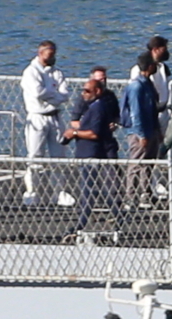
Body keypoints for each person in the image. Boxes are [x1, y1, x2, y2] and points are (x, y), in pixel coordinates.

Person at [64, 79, 121, 235]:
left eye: (87, 91)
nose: (83, 94)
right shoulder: (92, 107)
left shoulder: (98, 108)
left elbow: (93, 133)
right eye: (83, 90)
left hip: (92, 154)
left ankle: (82, 224)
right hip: (87, 153)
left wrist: (74, 133)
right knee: (92, 190)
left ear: (98, 91)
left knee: (90, 191)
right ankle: (117, 218)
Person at [20, 40, 73, 207]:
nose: (53, 58)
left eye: (54, 55)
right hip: (37, 117)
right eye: (50, 55)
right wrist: (54, 95)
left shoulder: (57, 72)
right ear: (40, 53)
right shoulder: (31, 72)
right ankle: (31, 192)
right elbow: (37, 93)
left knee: (59, 155)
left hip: (56, 116)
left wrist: (52, 97)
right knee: (35, 155)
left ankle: (59, 192)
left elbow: (65, 94)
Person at [122, 52, 159, 208]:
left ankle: (145, 194)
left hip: (151, 128)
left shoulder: (148, 84)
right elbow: (136, 112)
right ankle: (130, 196)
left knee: (148, 163)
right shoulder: (137, 86)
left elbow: (152, 108)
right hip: (139, 131)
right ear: (150, 66)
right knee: (136, 163)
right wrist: (141, 135)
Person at [129, 36, 172, 157]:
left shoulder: (163, 68)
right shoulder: (138, 69)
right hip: (148, 114)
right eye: (164, 48)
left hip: (162, 113)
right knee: (143, 152)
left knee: (160, 147)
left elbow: (167, 88)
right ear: (156, 49)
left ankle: (159, 171)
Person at [70, 66, 111, 132]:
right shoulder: (83, 97)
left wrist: (114, 124)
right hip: (88, 134)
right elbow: (74, 121)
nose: (103, 82)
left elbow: (116, 116)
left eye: (104, 79)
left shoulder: (109, 96)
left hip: (106, 135)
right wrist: (88, 129)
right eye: (100, 80)